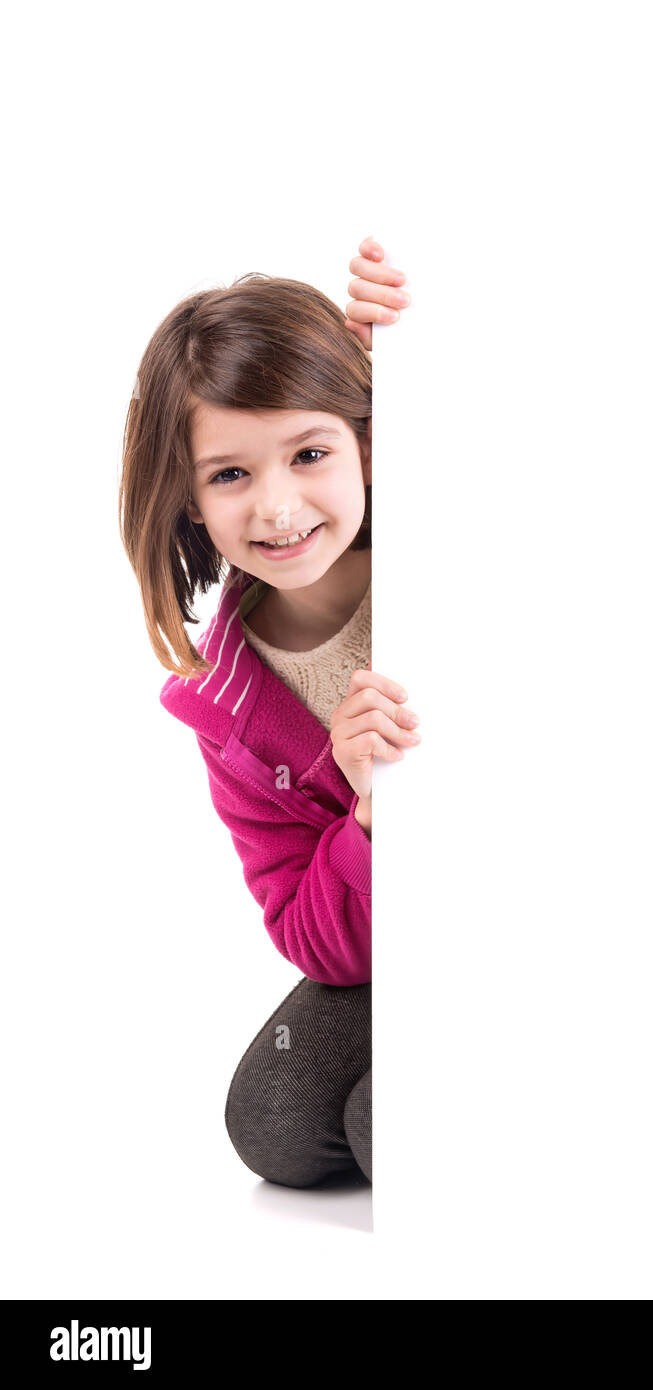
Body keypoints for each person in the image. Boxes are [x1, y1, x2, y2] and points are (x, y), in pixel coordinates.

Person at [118, 236, 418, 1187]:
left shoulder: (446, 534)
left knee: (386, 1128)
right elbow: (312, 935)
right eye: (231, 474)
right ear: (189, 503)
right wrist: (372, 816)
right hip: (403, 934)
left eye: (311, 452)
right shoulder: (230, 706)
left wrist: (419, 338)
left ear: (367, 444)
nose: (279, 506)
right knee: (275, 1125)